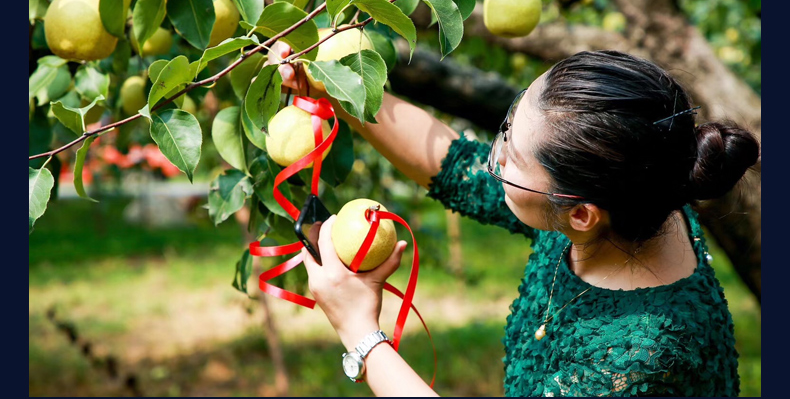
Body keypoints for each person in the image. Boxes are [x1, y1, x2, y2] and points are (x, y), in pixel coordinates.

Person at [268, 42, 760, 396]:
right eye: (508, 124)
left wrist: (360, 333)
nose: (495, 155)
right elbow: (456, 165)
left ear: (582, 213)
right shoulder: (639, 202)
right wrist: (343, 91)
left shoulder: (639, 360)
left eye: (513, 154)